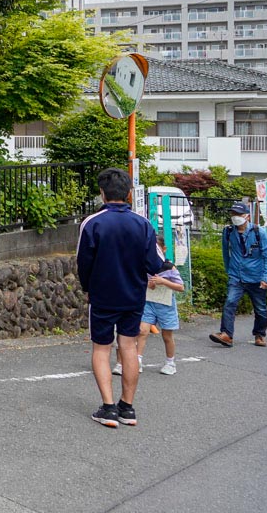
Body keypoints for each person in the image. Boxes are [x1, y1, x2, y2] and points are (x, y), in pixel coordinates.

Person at [77, 167, 168, 428]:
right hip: (134, 295)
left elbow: (83, 263)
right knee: (128, 347)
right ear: (129, 194)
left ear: (102, 193)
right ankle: (127, 408)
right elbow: (154, 263)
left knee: (101, 348)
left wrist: (88, 289)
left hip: (103, 296)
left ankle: (108, 408)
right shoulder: (143, 224)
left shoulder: (92, 223)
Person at [210, 201, 267, 348]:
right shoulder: (228, 232)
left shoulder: (259, 233)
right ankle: (226, 335)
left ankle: (260, 334)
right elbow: (226, 253)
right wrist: (229, 270)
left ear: (247, 216)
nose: (235, 217)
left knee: (260, 308)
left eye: (238, 214)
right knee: (230, 303)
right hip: (236, 276)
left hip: (256, 277)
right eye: (233, 214)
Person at [115, 242, 184, 376]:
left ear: (164, 249)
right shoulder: (144, 266)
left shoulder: (169, 267)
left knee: (167, 335)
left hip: (166, 304)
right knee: (142, 331)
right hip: (148, 303)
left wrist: (163, 281)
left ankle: (170, 362)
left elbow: (180, 287)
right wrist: (149, 284)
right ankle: (138, 360)